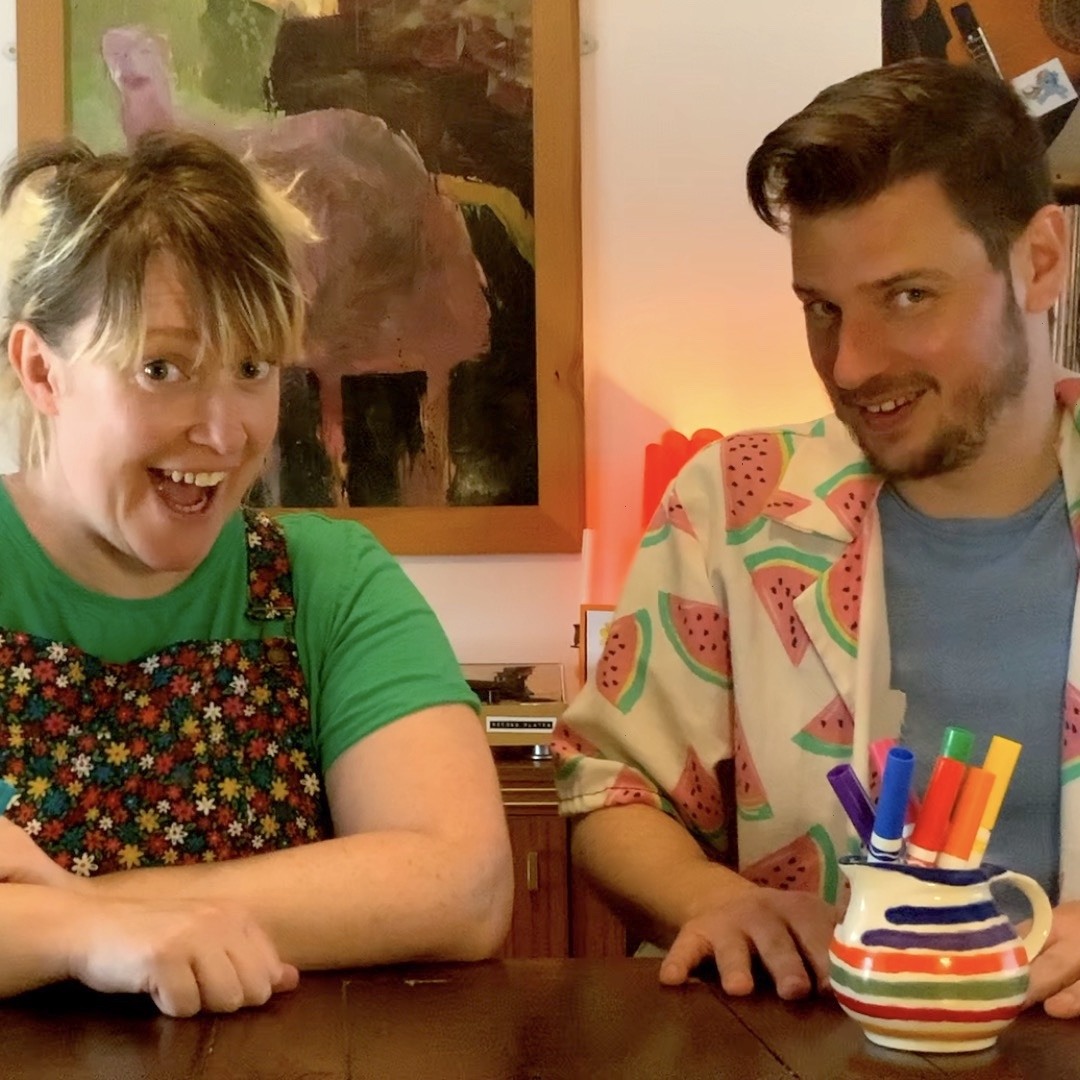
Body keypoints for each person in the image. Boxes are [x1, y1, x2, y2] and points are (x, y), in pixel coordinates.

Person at [555, 56, 1080, 1020]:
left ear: (1041, 261)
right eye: (821, 309)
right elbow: (613, 787)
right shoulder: (731, 503)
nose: (850, 364)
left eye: (909, 296)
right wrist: (704, 897)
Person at [0, 130, 513, 1017]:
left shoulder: (329, 581)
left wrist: (71, 912)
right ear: (42, 370)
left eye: (251, 368)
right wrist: (83, 940)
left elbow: (460, 884)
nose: (224, 430)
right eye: (162, 368)